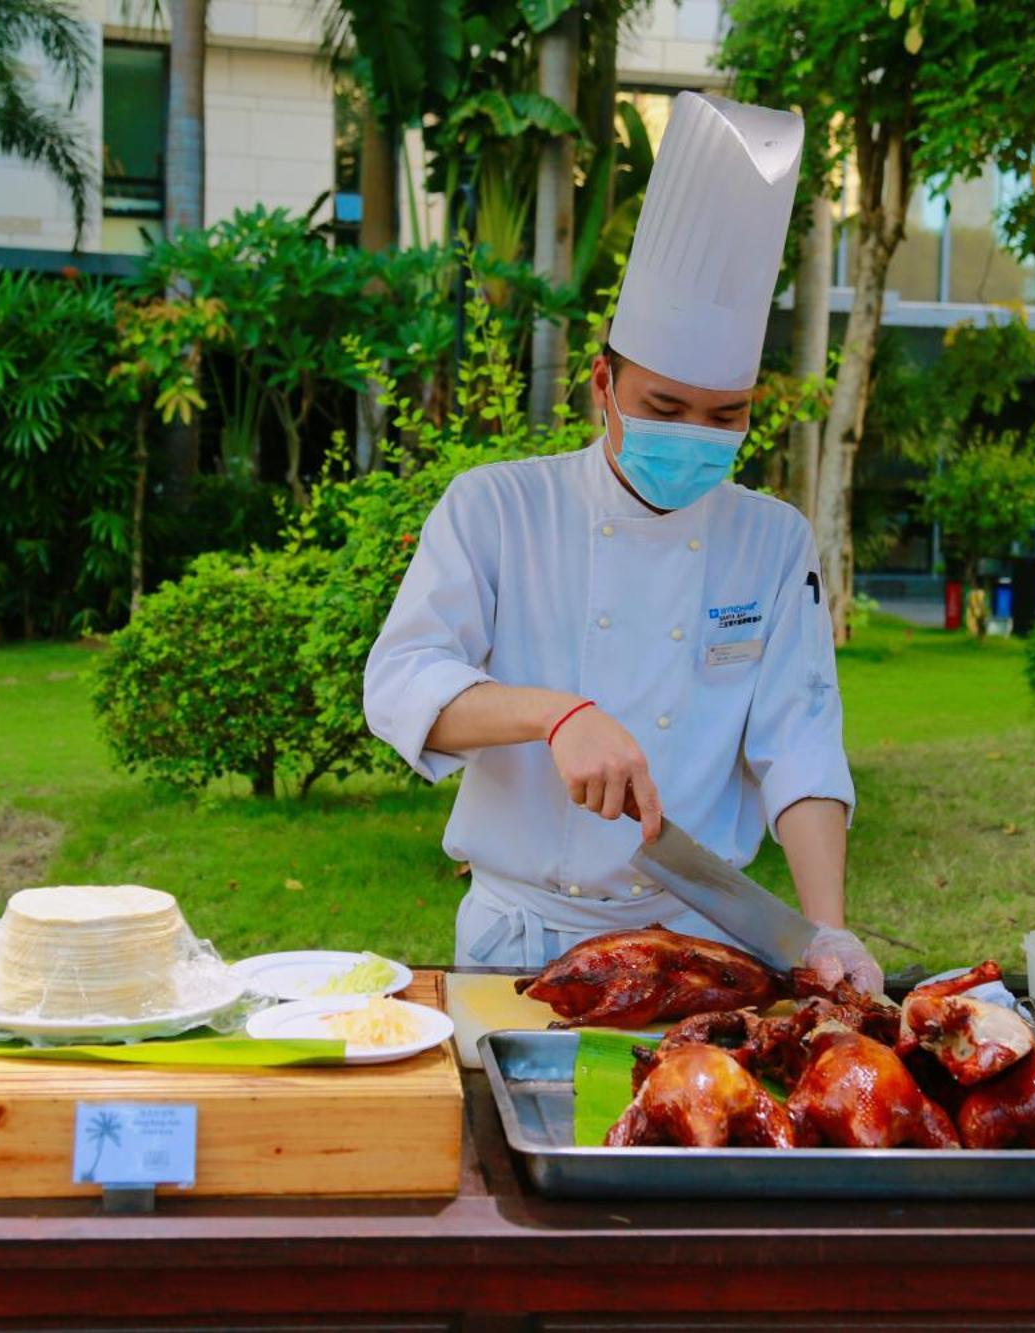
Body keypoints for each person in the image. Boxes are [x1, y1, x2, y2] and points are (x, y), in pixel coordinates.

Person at [362, 92, 880, 993]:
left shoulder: (772, 539)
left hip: (696, 942)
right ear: (603, 383)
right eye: (665, 408)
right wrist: (556, 713)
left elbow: (800, 743)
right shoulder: (498, 508)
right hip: (517, 940)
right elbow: (402, 684)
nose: (696, 434)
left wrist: (827, 929)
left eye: (726, 416)